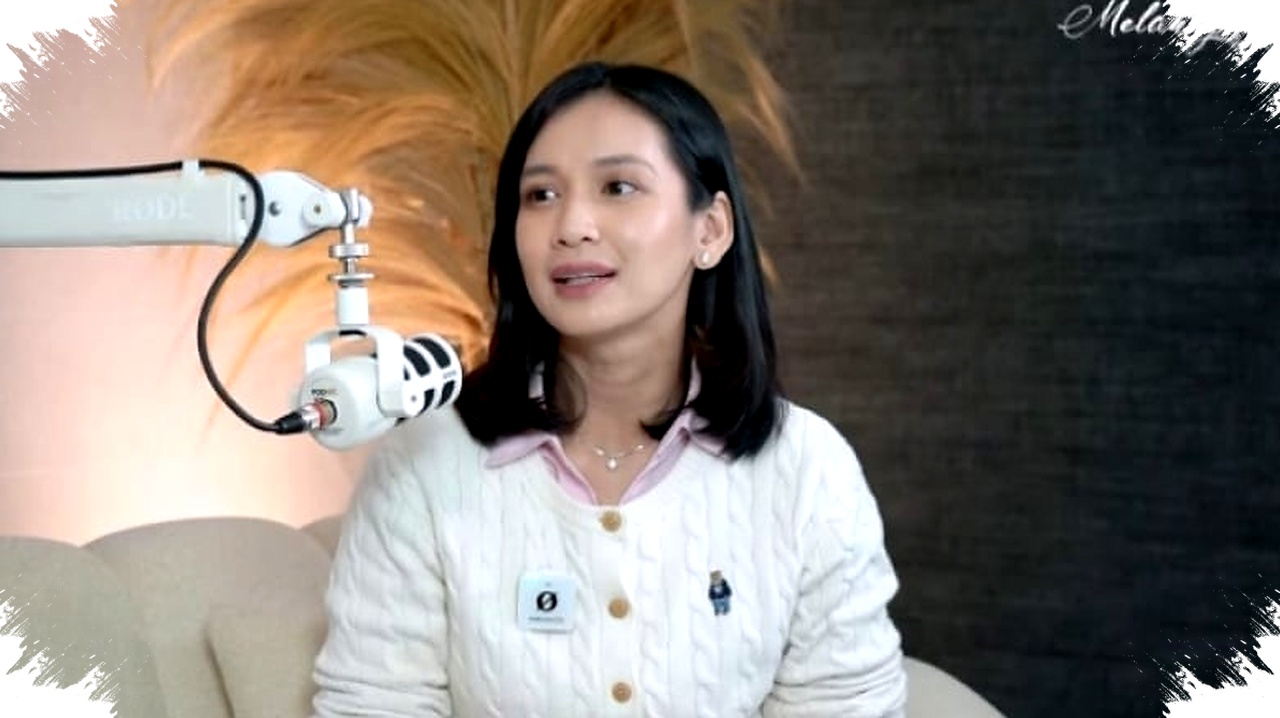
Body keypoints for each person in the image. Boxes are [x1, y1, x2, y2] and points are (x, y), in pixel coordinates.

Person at [311, 61, 907, 717]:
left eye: (619, 186)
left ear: (709, 230)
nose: (572, 225)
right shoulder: (422, 465)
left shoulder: (809, 470)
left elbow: (847, 705)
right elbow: (373, 705)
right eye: (540, 195)